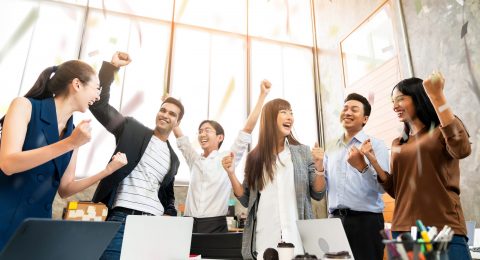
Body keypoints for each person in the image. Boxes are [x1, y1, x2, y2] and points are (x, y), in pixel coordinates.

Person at [0, 59, 128, 250]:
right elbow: (8, 163)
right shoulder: (24, 106)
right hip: (4, 218)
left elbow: (65, 188)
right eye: (96, 88)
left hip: (37, 227)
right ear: (77, 84)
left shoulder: (73, 131)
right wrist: (69, 143)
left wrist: (107, 170)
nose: (98, 95)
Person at [361, 73, 472, 259]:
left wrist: (437, 97)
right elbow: (397, 189)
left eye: (400, 99)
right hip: (403, 231)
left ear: (419, 97)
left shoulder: (441, 129)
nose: (395, 106)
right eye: (392, 101)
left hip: (441, 228)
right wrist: (372, 161)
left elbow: (461, 149)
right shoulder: (398, 143)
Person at [89, 52, 185, 260]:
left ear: (177, 123)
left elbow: (168, 194)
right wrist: (111, 68)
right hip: (122, 217)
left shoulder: (173, 159)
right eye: (163, 110)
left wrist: (169, 212)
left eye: (172, 114)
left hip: (154, 224)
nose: (165, 115)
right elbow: (99, 106)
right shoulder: (131, 129)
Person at [222, 98, 326, 259]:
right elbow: (245, 198)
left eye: (291, 113)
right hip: (265, 236)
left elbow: (318, 193)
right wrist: (231, 173)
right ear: (270, 118)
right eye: (283, 112)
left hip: (297, 237)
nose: (290, 117)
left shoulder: (303, 152)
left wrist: (319, 167)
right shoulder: (254, 157)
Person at [173, 80, 271, 233]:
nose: (202, 134)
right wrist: (171, 111)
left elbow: (247, 129)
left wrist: (262, 96)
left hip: (215, 225)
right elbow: (181, 140)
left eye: (207, 130)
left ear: (220, 137)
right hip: (188, 223)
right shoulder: (194, 159)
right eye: (200, 131)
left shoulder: (227, 157)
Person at [323, 93, 389, 260]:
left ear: (365, 119)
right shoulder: (330, 148)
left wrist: (362, 167)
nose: (347, 112)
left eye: (354, 109)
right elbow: (323, 187)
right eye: (345, 108)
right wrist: (316, 169)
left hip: (367, 223)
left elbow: (383, 188)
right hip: (334, 221)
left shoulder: (376, 145)